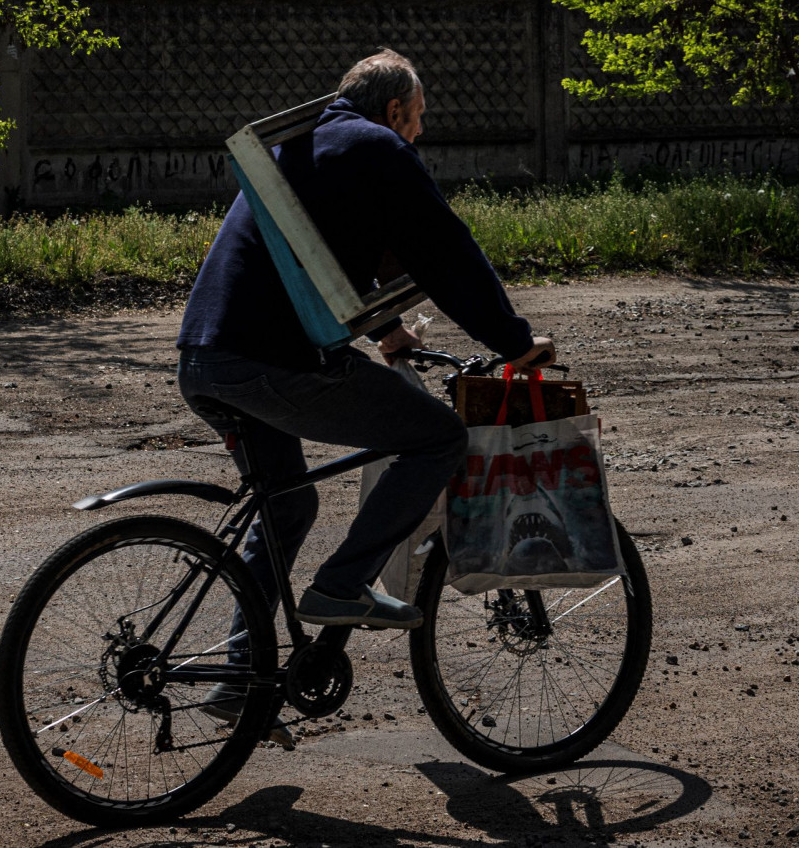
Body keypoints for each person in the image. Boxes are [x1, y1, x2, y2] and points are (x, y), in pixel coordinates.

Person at [177, 48, 556, 637]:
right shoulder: (379, 148)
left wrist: (387, 331)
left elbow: (321, 254)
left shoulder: (299, 146)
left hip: (205, 358)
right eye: (419, 116)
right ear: (395, 107)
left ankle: (236, 685)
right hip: (271, 363)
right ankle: (341, 585)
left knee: (288, 505)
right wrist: (514, 340)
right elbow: (445, 254)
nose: (421, 131)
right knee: (438, 438)